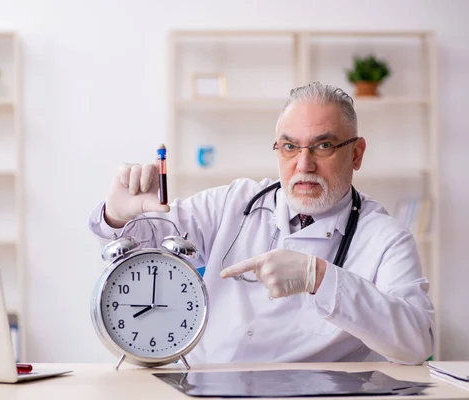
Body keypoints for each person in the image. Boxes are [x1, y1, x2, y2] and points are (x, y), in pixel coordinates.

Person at [88, 82, 435, 365]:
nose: (304, 165)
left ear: (356, 153)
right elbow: (143, 250)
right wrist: (118, 214)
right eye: (289, 147)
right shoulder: (233, 203)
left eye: (323, 146)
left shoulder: (385, 238)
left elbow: (417, 340)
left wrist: (321, 278)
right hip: (201, 387)